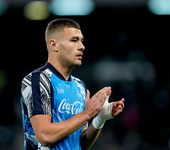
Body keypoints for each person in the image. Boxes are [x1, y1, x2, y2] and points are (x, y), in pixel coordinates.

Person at [20, 18, 125, 150]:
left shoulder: (79, 86)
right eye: (74, 40)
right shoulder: (37, 80)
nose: (82, 46)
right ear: (54, 45)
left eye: (81, 41)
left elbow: (81, 143)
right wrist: (86, 114)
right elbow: (44, 136)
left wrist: (100, 119)